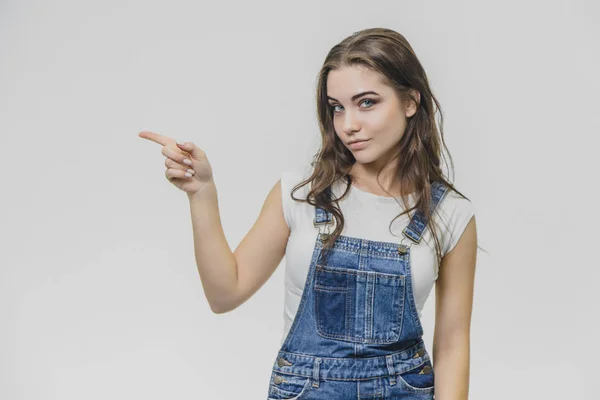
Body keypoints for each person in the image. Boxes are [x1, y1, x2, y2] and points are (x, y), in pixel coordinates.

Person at [139, 27, 477, 400]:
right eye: (337, 107)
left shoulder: (449, 214)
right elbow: (225, 294)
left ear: (411, 102)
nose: (348, 124)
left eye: (367, 102)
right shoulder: (300, 196)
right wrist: (202, 193)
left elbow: (452, 346)